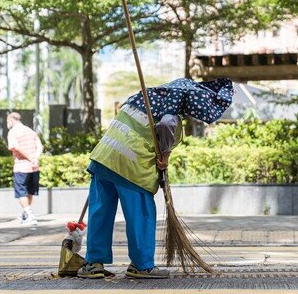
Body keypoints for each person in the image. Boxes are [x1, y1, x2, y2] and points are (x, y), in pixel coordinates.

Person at [78, 77, 233, 279]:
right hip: (131, 167)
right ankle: (141, 266)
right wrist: (166, 154)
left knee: (100, 211)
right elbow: (167, 125)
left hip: (103, 158)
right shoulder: (172, 115)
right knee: (141, 214)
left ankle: (93, 264)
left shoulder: (140, 98)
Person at [6, 112, 43, 226]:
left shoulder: (13, 132)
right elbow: (40, 146)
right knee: (29, 191)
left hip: (21, 166)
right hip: (34, 167)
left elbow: (14, 147)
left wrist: (29, 157)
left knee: (21, 192)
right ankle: (26, 214)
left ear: (11, 120)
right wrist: (35, 157)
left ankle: (29, 215)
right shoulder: (30, 131)